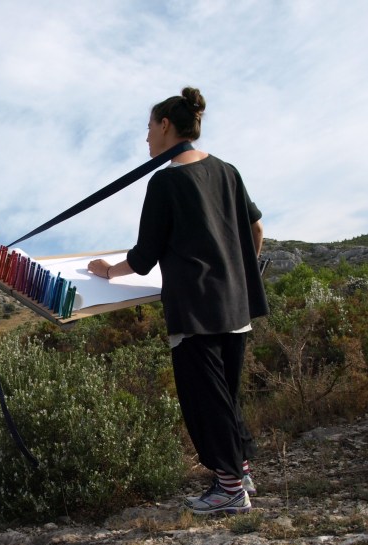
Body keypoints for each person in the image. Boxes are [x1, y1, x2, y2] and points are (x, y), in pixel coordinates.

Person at [87, 86, 268, 515]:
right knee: (227, 395)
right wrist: (239, 273)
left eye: (149, 128)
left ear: (166, 126)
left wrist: (107, 271)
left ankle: (229, 490)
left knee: (205, 400)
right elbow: (257, 228)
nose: (147, 137)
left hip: (195, 311)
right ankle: (240, 472)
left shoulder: (166, 181)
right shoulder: (227, 170)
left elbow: (144, 258)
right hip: (235, 306)